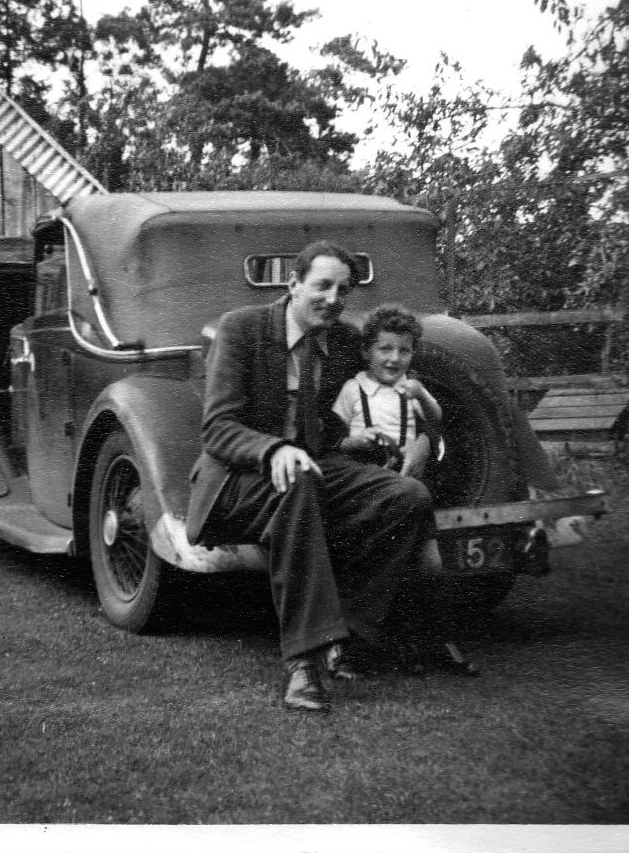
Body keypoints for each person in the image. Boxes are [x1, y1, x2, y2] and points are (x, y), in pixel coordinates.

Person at [185, 241, 434, 713]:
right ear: (293, 284)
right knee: (299, 481)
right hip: (239, 479)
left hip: (315, 467)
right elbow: (217, 428)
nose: (332, 298)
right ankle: (303, 663)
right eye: (322, 285)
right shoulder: (243, 329)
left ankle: (352, 636)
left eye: (342, 289)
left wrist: (416, 438)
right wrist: (272, 448)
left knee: (407, 495)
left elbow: (386, 394)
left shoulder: (342, 341)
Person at [332, 304, 443, 481]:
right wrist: (356, 441)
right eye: (385, 349)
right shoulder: (353, 388)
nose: (395, 358)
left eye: (404, 351)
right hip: (362, 472)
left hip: (403, 472)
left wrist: (421, 395)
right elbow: (336, 440)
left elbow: (435, 418)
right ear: (366, 352)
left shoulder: (410, 387)